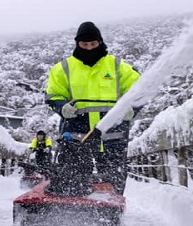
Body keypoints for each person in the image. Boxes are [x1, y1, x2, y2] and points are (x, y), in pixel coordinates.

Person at [45, 21, 140, 196]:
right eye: (84, 44)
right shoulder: (63, 69)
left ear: (100, 42)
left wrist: (132, 109)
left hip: (113, 139)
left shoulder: (118, 66)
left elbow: (139, 91)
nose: (89, 48)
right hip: (76, 141)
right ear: (77, 44)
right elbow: (53, 96)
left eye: (93, 44)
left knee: (113, 188)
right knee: (71, 186)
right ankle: (71, 216)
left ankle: (110, 219)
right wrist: (62, 107)